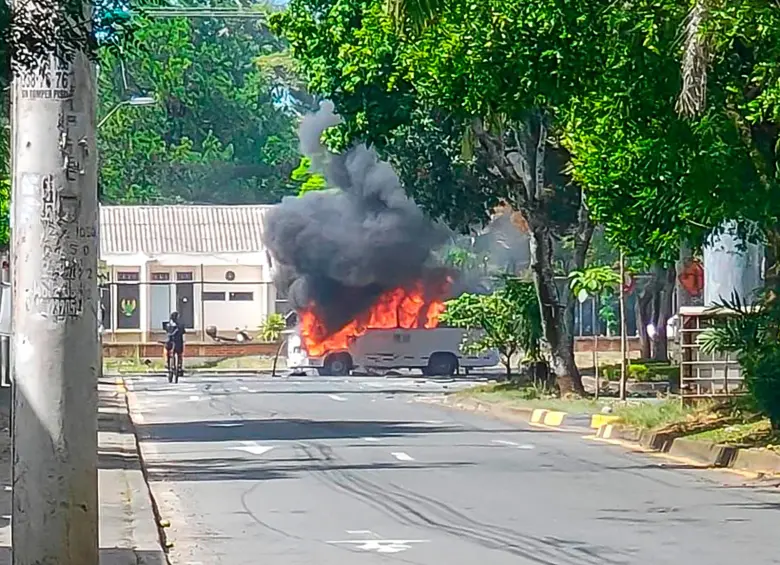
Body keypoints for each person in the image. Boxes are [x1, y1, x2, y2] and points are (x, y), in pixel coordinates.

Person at [165, 311, 186, 377]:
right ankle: (179, 365)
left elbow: (167, 332)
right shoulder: (181, 325)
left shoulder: (168, 325)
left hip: (170, 342)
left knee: (167, 350)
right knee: (180, 354)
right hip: (179, 342)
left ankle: (167, 362)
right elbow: (183, 332)